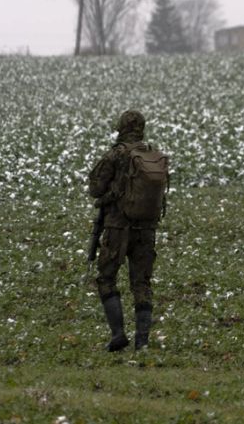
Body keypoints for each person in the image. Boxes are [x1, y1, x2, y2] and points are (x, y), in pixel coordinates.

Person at [88, 110, 168, 351]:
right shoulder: (151, 155)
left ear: (121, 127)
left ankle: (118, 334)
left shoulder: (116, 154)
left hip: (117, 228)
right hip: (146, 228)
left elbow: (96, 188)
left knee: (106, 278)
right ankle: (142, 341)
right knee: (141, 283)